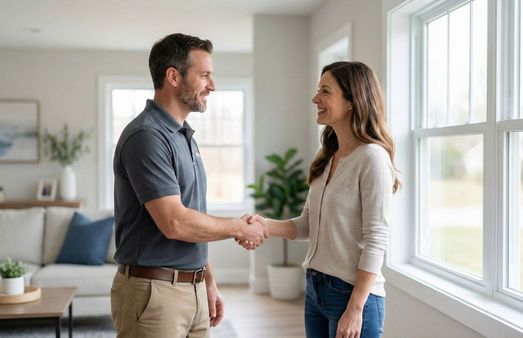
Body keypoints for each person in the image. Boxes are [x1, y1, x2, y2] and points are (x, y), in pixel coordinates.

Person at [110, 33, 268, 338]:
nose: (213, 85)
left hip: (190, 290)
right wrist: (239, 227)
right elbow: (175, 222)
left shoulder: (182, 137)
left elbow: (192, 216)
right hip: (154, 295)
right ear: (173, 76)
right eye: (204, 75)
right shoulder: (147, 136)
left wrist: (206, 280)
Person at [244, 61, 400, 338]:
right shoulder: (328, 157)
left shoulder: (372, 158)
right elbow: (307, 224)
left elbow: (376, 239)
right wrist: (264, 224)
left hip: (352, 295)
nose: (315, 99)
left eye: (325, 91)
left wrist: (355, 308)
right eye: (318, 91)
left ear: (353, 100)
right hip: (316, 289)